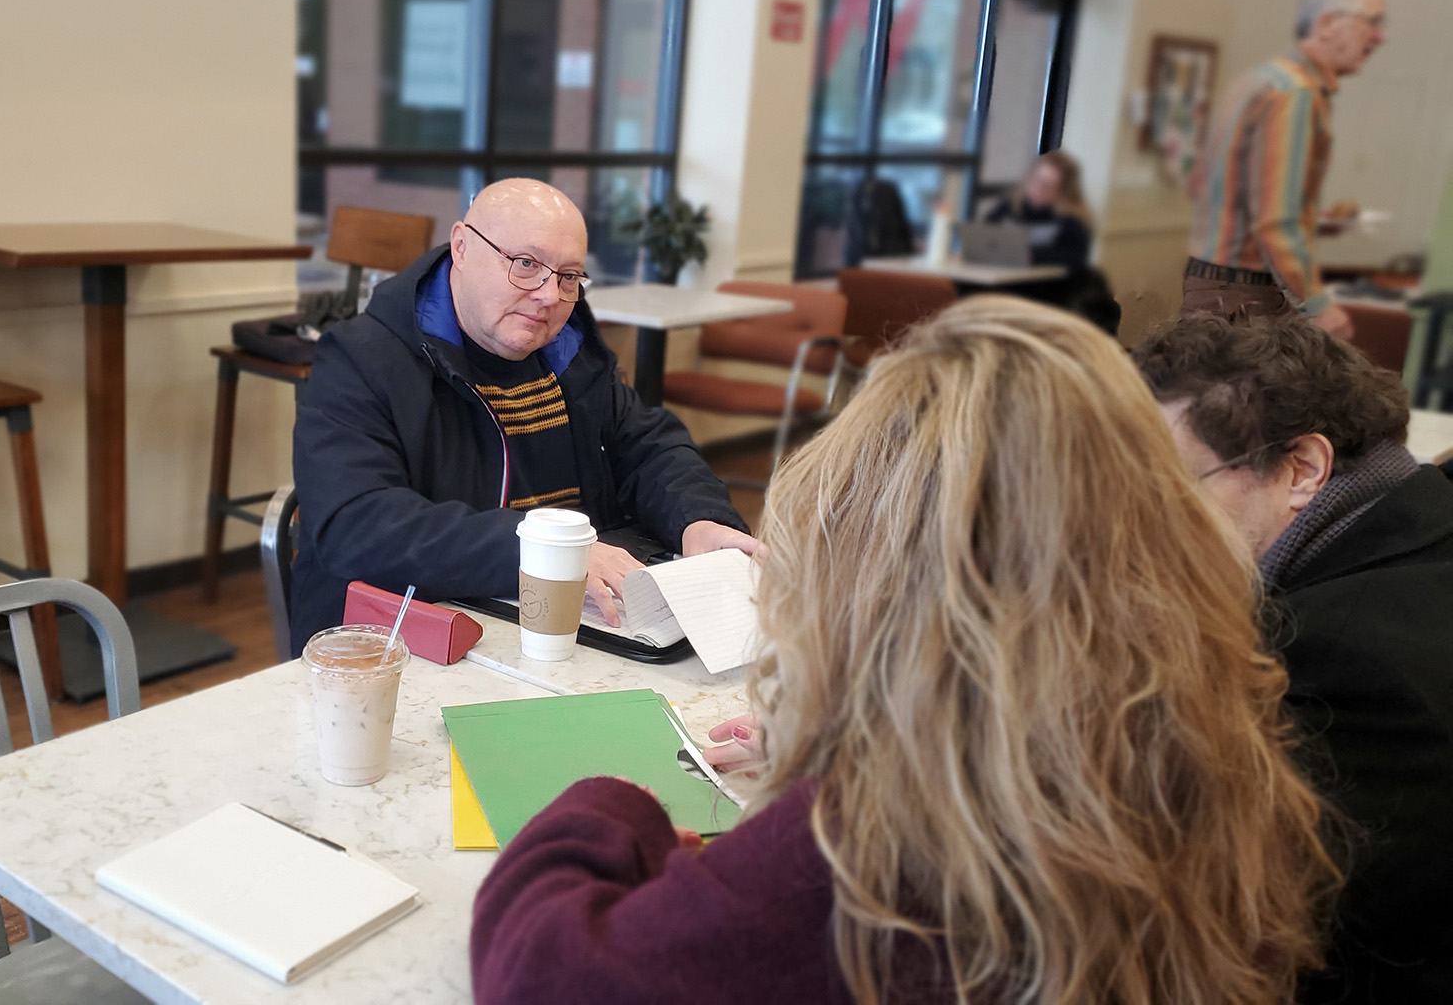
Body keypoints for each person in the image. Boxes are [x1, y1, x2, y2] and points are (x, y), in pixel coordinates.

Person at [472, 297, 1337, 1004]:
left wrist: (613, 803)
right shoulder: (1214, 758)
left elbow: (543, 969)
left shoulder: (872, 853)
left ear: (880, 603)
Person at [287, 178, 756, 656]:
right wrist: (546, 553)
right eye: (526, 264)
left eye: (568, 276)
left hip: (563, 626)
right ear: (462, 247)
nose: (549, 295)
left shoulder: (567, 352)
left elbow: (647, 446)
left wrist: (698, 519)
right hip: (398, 643)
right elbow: (356, 524)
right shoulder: (358, 360)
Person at [1133, 314, 1453, 1002]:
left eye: (1167, 488)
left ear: (1302, 469)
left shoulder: (1336, 660)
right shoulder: (1425, 518)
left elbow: (1241, 923)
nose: (1142, 525)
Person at [1186, 0, 1387, 335]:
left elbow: (1200, 184)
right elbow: (1276, 222)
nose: (1380, 36)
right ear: (1327, 23)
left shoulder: (1255, 80)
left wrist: (1309, 216)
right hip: (1246, 290)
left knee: (1205, 387)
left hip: (1209, 277)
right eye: (1372, 22)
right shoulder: (1295, 93)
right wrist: (1319, 306)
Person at [982, 149, 1120, 333]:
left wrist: (1032, 256)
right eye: (1037, 180)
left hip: (1046, 294)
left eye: (1048, 185)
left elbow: (1073, 259)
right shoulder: (1010, 207)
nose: (1040, 188)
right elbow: (985, 233)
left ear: (1063, 191)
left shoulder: (1071, 221)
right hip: (1003, 284)